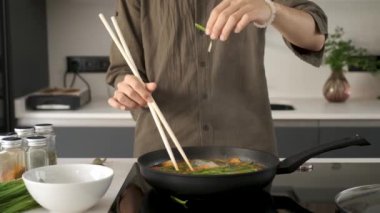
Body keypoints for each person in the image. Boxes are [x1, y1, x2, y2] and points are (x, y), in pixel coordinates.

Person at [106, 0, 327, 157]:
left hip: (247, 152)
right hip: (162, 153)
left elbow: (315, 38)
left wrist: (271, 10)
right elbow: (122, 68)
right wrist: (128, 87)